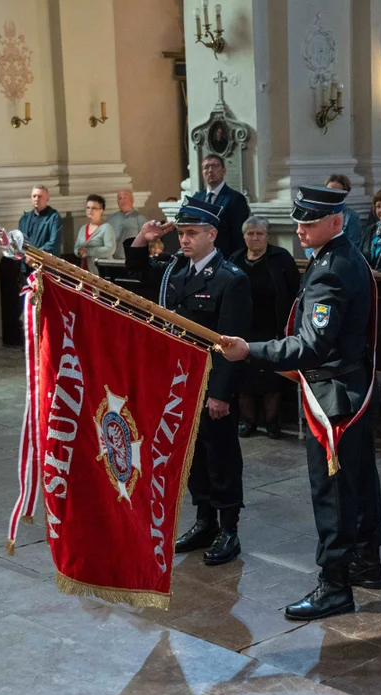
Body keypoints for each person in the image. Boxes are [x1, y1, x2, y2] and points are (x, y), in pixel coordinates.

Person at [219, 185, 381, 622]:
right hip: (352, 386)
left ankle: (334, 586)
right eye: (298, 222)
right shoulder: (341, 257)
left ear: (337, 222)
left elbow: (310, 346)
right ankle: (367, 563)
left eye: (309, 223)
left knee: (331, 491)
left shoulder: (332, 269)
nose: (300, 229)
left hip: (332, 396)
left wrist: (249, 351)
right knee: (359, 484)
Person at [125, 197, 252, 566]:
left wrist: (220, 393)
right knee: (192, 454)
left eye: (192, 233)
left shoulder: (232, 278)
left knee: (221, 456)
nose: (184, 240)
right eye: (181, 233)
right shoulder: (175, 271)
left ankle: (229, 528)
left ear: (212, 235)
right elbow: (138, 274)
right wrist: (142, 240)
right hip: (179, 383)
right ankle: (204, 521)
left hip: (211, 384)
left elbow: (231, 342)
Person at [229, 216, 300, 440]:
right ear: (244, 237)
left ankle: (272, 423)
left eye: (260, 233)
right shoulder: (236, 258)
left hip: (273, 328)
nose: (255, 237)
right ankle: (247, 422)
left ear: (268, 236)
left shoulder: (281, 258)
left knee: (272, 379)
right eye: (250, 233)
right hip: (243, 329)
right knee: (245, 379)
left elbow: (295, 290)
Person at [193, 154, 251, 257]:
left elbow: (238, 236)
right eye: (206, 167)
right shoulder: (196, 198)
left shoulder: (235, 198)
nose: (210, 170)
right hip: (199, 256)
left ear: (223, 171)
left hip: (224, 257)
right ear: (202, 173)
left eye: (215, 166)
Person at [18, 185, 63, 273]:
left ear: (47, 199)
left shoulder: (54, 217)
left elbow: (54, 243)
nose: (36, 199)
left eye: (40, 196)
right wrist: (26, 257)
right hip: (27, 267)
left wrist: (34, 255)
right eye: (34, 196)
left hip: (46, 269)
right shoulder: (24, 219)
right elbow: (20, 242)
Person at [73, 194, 116, 276]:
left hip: (101, 272)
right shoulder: (83, 228)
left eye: (93, 208)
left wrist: (88, 251)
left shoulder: (107, 228)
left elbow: (110, 249)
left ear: (101, 210)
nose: (90, 210)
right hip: (85, 270)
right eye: (88, 207)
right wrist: (78, 252)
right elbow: (76, 247)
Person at [106, 189, 148, 258]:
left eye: (125, 198)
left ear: (132, 200)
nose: (122, 201)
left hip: (132, 259)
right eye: (119, 198)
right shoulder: (110, 219)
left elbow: (144, 243)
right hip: (111, 260)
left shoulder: (140, 219)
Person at [326, 174, 363, 251]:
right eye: (328, 191)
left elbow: (353, 244)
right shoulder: (317, 213)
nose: (331, 194)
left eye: (336, 192)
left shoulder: (352, 216)